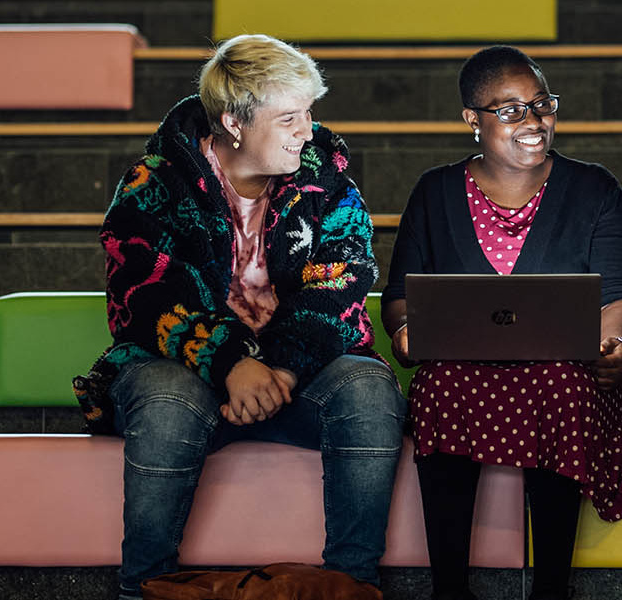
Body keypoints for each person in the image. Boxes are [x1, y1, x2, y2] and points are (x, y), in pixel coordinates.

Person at [72, 34, 405, 600]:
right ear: (234, 123)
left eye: (309, 114)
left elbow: (341, 288)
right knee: (169, 398)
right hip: (186, 376)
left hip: (292, 379)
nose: (307, 130)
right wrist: (231, 364)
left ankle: (354, 586)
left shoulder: (327, 184)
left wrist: (280, 371)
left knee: (371, 388)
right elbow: (145, 295)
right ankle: (143, 589)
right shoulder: (154, 184)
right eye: (290, 118)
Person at [381, 45, 622, 600]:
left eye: (541, 104)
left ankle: (551, 588)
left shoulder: (593, 187)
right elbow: (402, 297)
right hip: (463, 369)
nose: (533, 120)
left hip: (570, 372)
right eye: (509, 110)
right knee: (440, 385)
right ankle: (448, 589)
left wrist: (615, 344)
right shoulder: (435, 191)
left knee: (562, 383)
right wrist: (409, 333)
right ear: (471, 121)